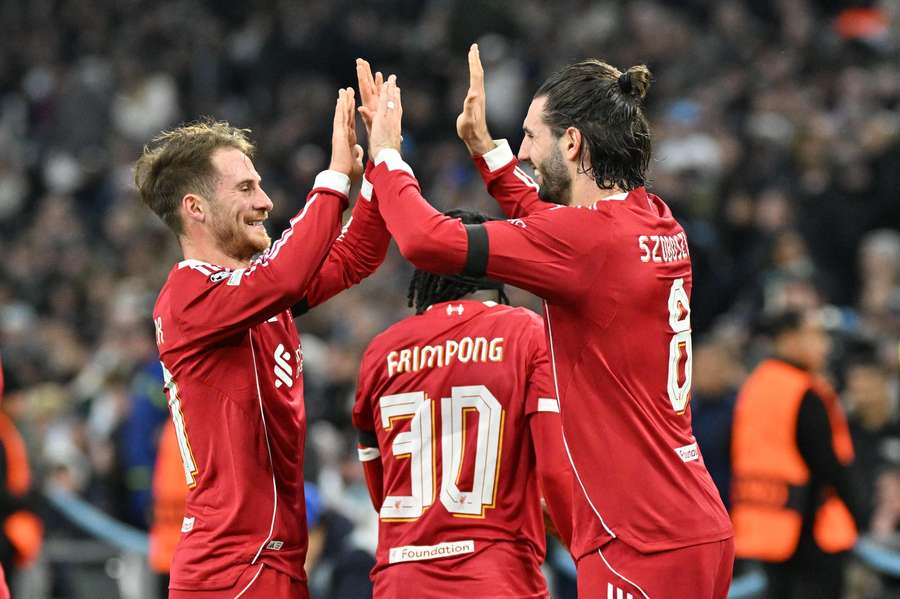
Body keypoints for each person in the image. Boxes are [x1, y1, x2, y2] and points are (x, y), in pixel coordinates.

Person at [361, 45, 733, 598]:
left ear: (573, 141)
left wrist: (388, 156)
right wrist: (485, 150)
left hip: (638, 539)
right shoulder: (653, 218)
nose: (527, 152)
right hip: (687, 520)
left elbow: (424, 240)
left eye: (531, 137)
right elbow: (549, 219)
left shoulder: (588, 243)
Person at [134, 84, 390, 598]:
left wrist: (384, 164)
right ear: (196, 208)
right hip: (229, 569)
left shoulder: (256, 297)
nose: (266, 202)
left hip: (275, 562)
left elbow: (355, 255)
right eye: (246, 189)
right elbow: (285, 277)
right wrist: (334, 177)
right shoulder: (186, 296)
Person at [352, 208, 573, 598]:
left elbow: (379, 487)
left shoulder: (380, 351)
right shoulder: (525, 333)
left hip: (402, 577)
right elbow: (556, 472)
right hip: (494, 574)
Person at [731, 309, 862, 598]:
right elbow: (828, 465)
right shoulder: (804, 391)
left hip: (763, 524)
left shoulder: (754, 386)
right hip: (811, 530)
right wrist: (859, 514)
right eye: (815, 336)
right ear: (789, 339)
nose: (824, 346)